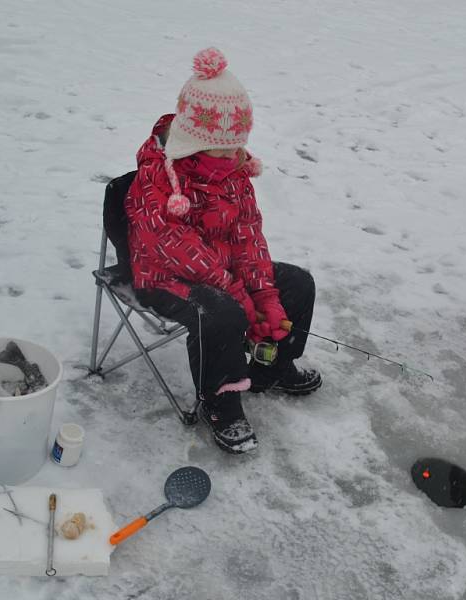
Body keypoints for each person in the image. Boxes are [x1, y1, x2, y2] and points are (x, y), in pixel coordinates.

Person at [124, 48, 322, 453]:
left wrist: (264, 295)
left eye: (239, 144)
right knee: (222, 313)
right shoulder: (158, 176)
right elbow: (170, 246)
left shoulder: (234, 171)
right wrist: (235, 292)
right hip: (163, 276)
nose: (236, 155)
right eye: (225, 147)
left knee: (297, 284)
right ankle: (221, 402)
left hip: (223, 273)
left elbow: (248, 235)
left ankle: (273, 366)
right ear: (196, 142)